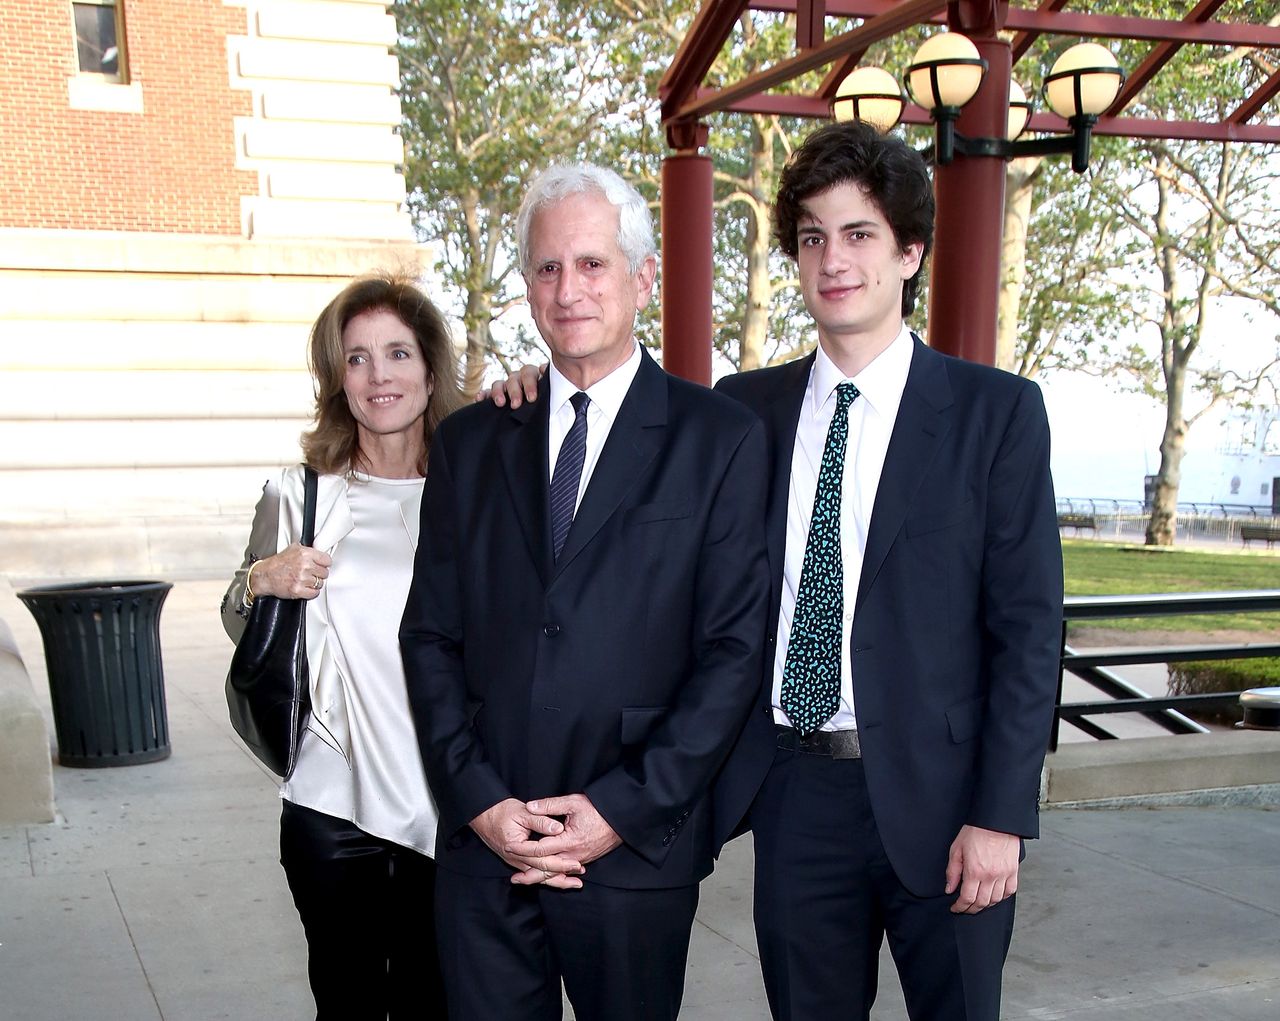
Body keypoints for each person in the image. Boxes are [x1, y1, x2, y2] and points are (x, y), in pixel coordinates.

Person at [487, 120, 1063, 1020]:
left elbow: (1029, 630)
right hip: (795, 794)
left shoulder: (999, 414)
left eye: (860, 233)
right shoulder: (741, 410)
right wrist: (541, 390)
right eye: (811, 238)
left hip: (950, 808)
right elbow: (622, 441)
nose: (833, 259)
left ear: (910, 251)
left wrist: (1001, 815)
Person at [398, 163, 771, 1021]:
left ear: (643, 278)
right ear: (527, 285)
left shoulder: (719, 439)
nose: (569, 289)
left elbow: (733, 653)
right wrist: (479, 801)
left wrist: (620, 810)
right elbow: (430, 637)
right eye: (548, 267)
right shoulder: (470, 442)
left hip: (632, 849)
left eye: (593, 264)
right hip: (486, 849)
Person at [222, 271, 465, 1020]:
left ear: (430, 369)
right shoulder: (301, 493)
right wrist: (261, 575)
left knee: (438, 1002)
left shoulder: (475, 488)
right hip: (334, 805)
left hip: (451, 807)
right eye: (357, 358)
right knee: (349, 1004)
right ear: (338, 378)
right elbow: (240, 617)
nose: (379, 375)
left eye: (397, 352)